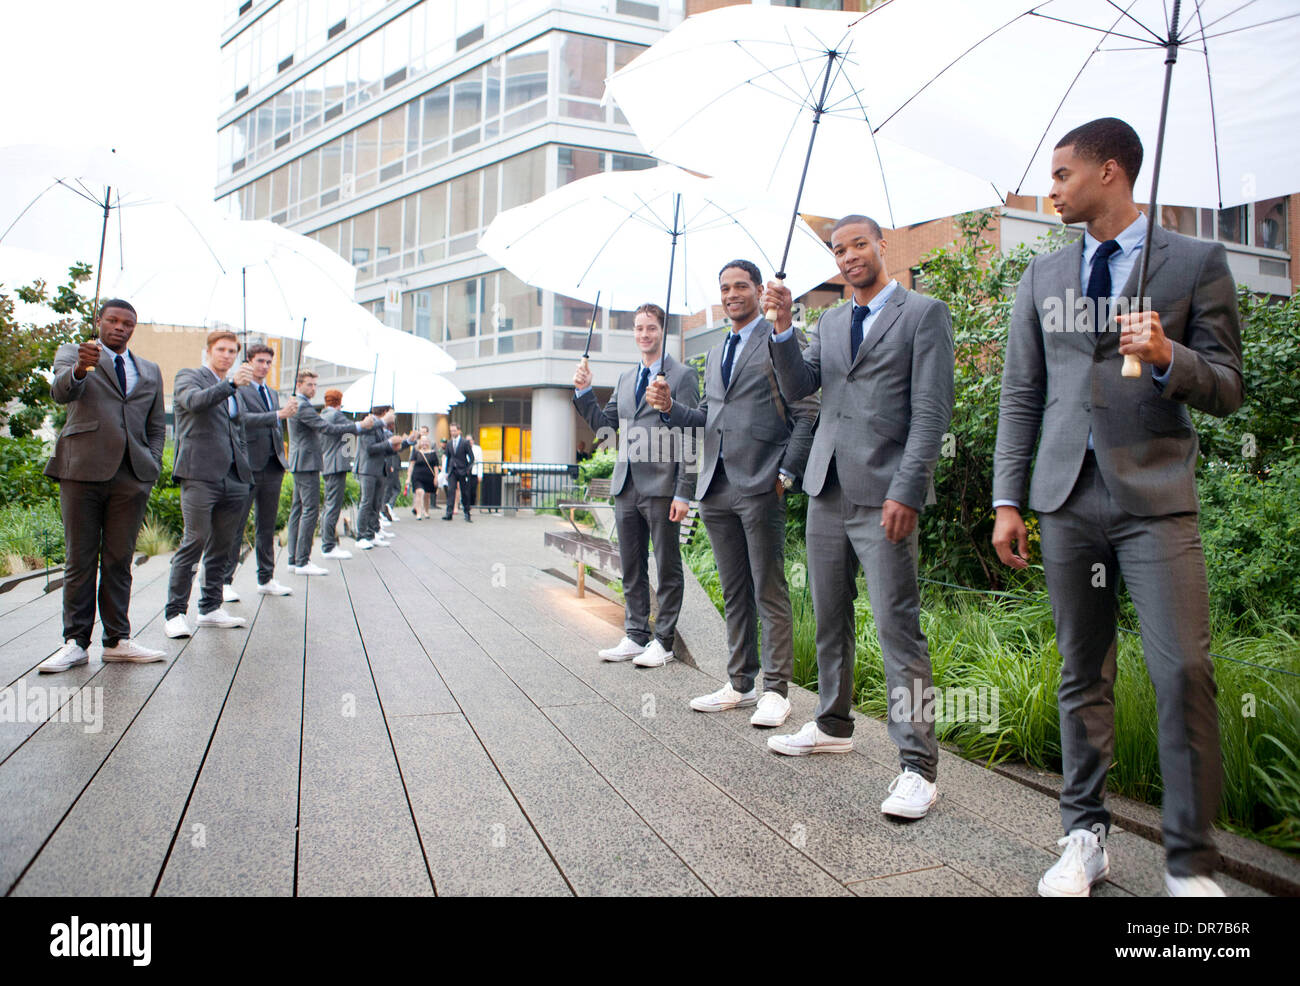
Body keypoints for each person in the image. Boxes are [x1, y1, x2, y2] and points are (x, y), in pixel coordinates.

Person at [991, 118, 1243, 897]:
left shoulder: (1195, 261)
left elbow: (1229, 386)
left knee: (1184, 671)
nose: (1052, 189)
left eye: (1063, 174)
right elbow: (1022, 393)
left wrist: (1173, 358)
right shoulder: (1043, 278)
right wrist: (1008, 499)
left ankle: (1189, 863)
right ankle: (1084, 837)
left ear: (1109, 172)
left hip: (1156, 499)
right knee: (1080, 672)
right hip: (1067, 497)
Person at [763, 215, 954, 822]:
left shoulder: (925, 315)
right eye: (837, 250)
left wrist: (909, 490)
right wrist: (785, 326)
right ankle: (833, 723)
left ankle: (918, 768)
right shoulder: (833, 319)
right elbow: (802, 389)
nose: (848, 257)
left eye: (857, 245)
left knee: (899, 629)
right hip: (826, 488)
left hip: (886, 496)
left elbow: (930, 413)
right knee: (829, 617)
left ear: (881, 246)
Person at [647, 260, 817, 727]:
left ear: (759, 290)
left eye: (741, 285)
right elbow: (708, 416)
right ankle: (741, 682)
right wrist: (670, 408)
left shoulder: (782, 338)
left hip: (762, 482)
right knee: (735, 589)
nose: (731, 294)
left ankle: (776, 691)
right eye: (724, 287)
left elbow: (806, 410)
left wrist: (785, 475)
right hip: (716, 486)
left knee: (769, 587)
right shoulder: (721, 345)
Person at [39, 300, 168, 671]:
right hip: (82, 469)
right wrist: (81, 367)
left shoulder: (149, 369)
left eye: (128, 323)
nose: (120, 327)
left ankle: (117, 640)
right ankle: (75, 642)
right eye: (112, 320)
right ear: (99, 322)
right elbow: (61, 393)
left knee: (119, 560)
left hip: (133, 475)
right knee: (80, 559)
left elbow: (156, 424)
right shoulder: (76, 354)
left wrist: (152, 462)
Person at [573, 302, 699, 667]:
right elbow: (604, 428)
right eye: (639, 328)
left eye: (651, 328)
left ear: (663, 331)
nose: (645, 334)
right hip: (626, 483)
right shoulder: (627, 379)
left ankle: (664, 641)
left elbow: (690, 435)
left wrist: (684, 490)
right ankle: (635, 634)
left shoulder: (682, 376)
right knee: (631, 565)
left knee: (667, 566)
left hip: (663, 487)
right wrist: (584, 392)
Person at [164, 331, 257, 638]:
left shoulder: (238, 390)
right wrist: (230, 385)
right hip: (199, 473)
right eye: (222, 349)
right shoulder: (190, 376)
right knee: (195, 541)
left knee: (223, 546)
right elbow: (193, 403)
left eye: (233, 351)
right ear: (208, 351)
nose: (227, 355)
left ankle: (211, 607)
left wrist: (243, 467)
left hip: (234, 477)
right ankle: (175, 612)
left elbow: (237, 429)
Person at [220, 343, 297, 600]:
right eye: (260, 361)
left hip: (273, 465)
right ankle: (224, 581)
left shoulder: (272, 392)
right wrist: (278, 414)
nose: (264, 366)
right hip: (246, 465)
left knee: (267, 525)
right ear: (249, 362)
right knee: (236, 525)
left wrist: (281, 454)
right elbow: (241, 420)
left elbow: (274, 426)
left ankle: (266, 577)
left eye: (268, 362)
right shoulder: (238, 390)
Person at [285, 370, 374, 575]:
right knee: (309, 510)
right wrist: (360, 425)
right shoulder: (302, 405)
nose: (314, 388)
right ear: (299, 385)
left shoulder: (298, 403)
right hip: (307, 462)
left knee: (298, 511)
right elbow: (326, 428)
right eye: (309, 385)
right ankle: (302, 561)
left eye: (315, 385)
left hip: (303, 461)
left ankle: (294, 559)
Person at [354, 407, 403, 549]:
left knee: (376, 503)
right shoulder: (369, 423)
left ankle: (371, 533)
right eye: (392, 413)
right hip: (368, 469)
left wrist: (396, 445)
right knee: (367, 502)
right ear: (385, 412)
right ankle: (361, 535)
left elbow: (384, 449)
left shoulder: (381, 427)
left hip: (379, 469)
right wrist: (388, 443)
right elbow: (370, 448)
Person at [320, 388, 357, 559]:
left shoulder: (323, 415)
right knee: (333, 506)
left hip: (328, 464)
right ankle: (329, 545)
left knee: (330, 505)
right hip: (335, 465)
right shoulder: (335, 415)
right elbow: (353, 428)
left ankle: (329, 542)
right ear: (339, 401)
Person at [442, 422, 475, 523]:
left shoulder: (465, 442)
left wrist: (467, 469)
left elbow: (471, 457)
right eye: (451, 431)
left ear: (459, 431)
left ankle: (467, 513)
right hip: (452, 470)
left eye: (454, 430)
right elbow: (447, 457)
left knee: (464, 493)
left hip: (462, 470)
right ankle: (449, 513)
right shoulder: (449, 443)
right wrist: (447, 471)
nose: (452, 432)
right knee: (451, 491)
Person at [408, 436, 439, 519]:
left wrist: (436, 477)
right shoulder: (416, 452)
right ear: (420, 442)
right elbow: (411, 466)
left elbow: (436, 467)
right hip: (417, 477)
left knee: (427, 495)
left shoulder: (433, 453)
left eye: (426, 441)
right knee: (420, 492)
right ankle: (418, 513)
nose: (424, 443)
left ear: (428, 443)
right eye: (422, 441)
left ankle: (426, 511)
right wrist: (408, 478)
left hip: (429, 478)